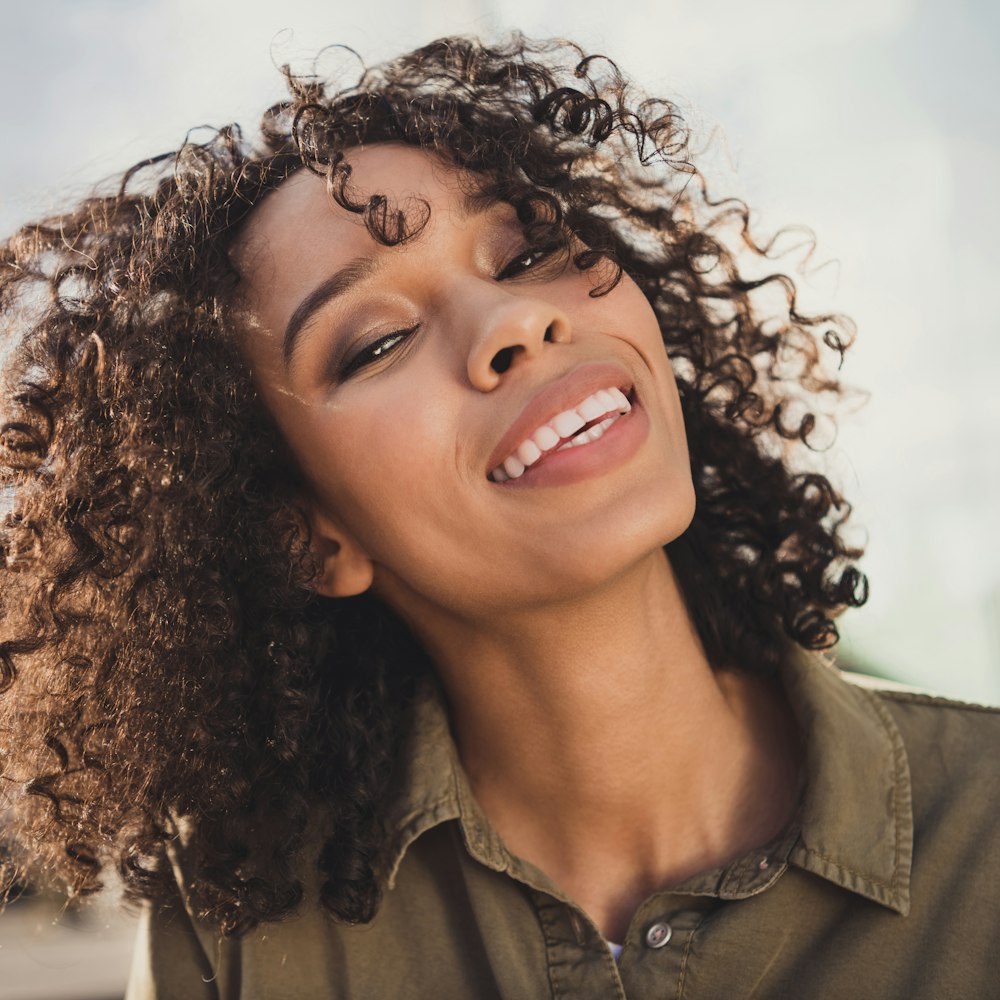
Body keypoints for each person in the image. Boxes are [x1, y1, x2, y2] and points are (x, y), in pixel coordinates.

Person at [1, 34, 997, 1000]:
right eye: (377, 343)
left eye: (526, 255)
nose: (516, 320)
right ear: (307, 538)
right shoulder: (236, 937)